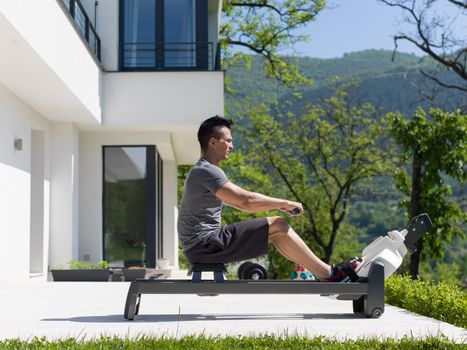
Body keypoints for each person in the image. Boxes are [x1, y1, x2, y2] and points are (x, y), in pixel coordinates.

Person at [178, 116, 362, 282]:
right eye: (228, 140)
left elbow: (240, 203)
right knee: (278, 224)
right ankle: (331, 273)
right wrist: (283, 203)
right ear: (212, 142)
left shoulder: (202, 170)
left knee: (276, 231)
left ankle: (328, 274)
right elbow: (246, 201)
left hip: (201, 244)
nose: (232, 146)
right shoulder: (207, 171)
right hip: (205, 244)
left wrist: (275, 206)